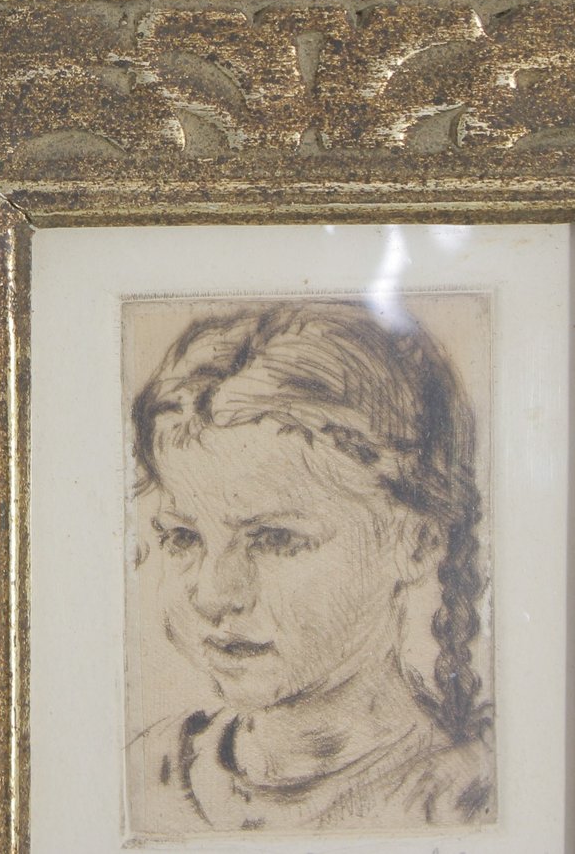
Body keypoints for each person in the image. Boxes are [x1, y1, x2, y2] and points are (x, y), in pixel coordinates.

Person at [124, 301, 494, 835]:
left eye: (276, 539)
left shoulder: (462, 800)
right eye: (184, 537)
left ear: (416, 544)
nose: (214, 594)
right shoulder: (150, 768)